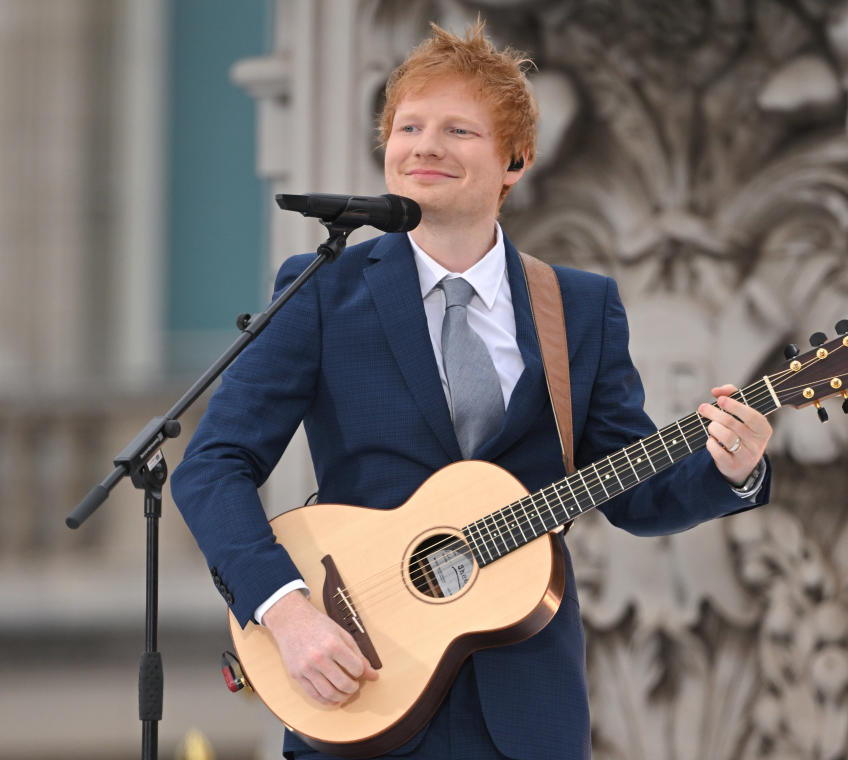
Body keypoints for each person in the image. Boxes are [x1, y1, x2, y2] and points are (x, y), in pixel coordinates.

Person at [171, 19, 773, 760]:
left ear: (515, 161)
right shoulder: (322, 291)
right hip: (362, 694)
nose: (424, 145)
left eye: (458, 130)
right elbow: (211, 466)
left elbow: (632, 492)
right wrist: (287, 613)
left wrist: (728, 468)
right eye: (408, 126)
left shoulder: (578, 309)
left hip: (524, 719)